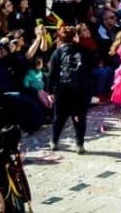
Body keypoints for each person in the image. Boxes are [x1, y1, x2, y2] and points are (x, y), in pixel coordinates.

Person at [46, 25, 91, 154]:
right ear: (75, 37)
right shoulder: (84, 51)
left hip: (62, 90)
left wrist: (49, 91)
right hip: (80, 90)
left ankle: (54, 141)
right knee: (79, 117)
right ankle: (79, 144)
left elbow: (52, 73)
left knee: (59, 117)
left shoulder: (57, 53)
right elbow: (89, 70)